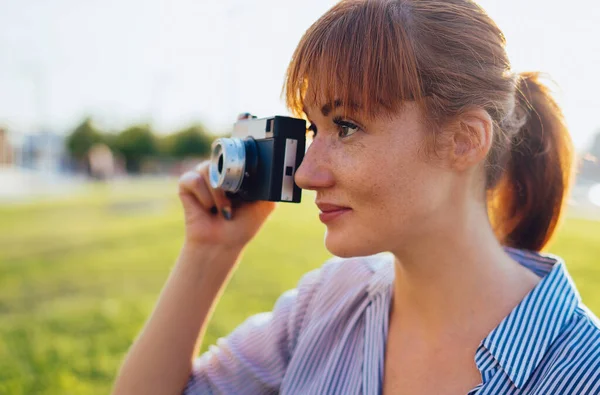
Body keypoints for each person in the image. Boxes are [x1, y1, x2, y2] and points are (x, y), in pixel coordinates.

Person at [113, 0, 600, 394]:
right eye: (313, 128)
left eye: (346, 126)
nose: (304, 173)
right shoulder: (324, 303)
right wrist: (209, 252)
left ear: (464, 140)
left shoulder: (580, 372)